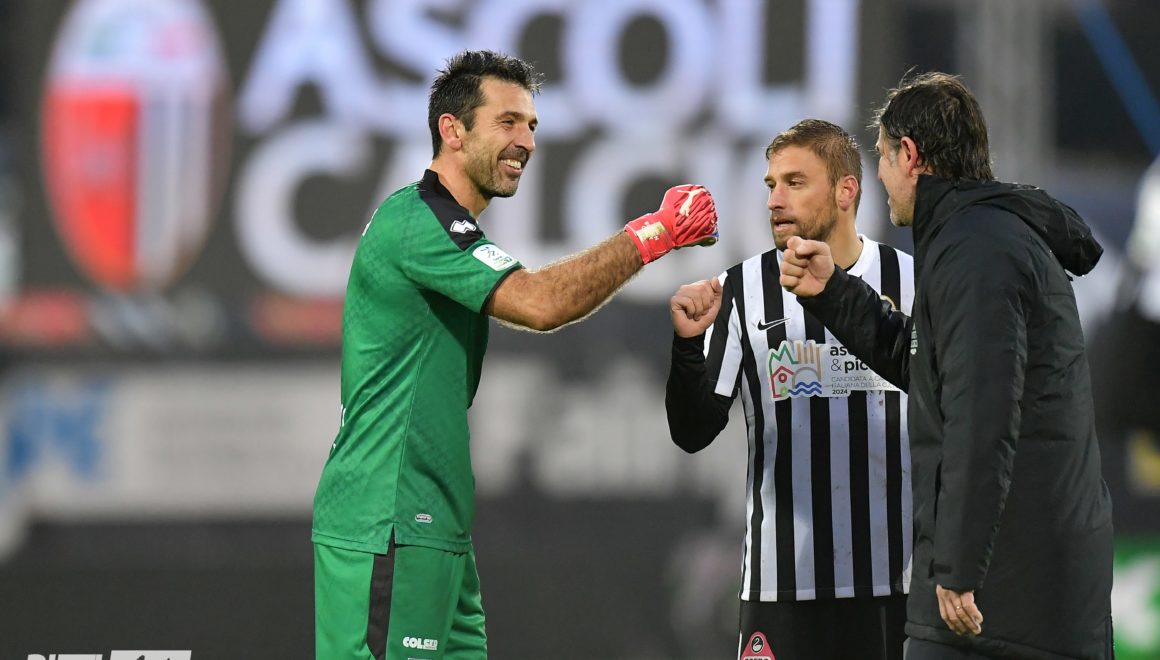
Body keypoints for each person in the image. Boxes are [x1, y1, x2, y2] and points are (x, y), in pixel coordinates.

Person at [311, 50, 718, 660]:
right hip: (388, 522)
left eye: (531, 125)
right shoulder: (418, 222)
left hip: (432, 526)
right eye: (507, 122)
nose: (526, 141)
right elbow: (541, 302)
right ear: (452, 130)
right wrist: (655, 231)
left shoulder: (442, 227)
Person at [779, 72, 1114, 659]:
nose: (880, 177)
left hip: (998, 603)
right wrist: (833, 292)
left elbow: (982, 412)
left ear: (909, 155)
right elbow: (936, 373)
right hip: (1020, 588)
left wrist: (956, 566)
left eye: (882, 157)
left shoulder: (977, 251)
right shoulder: (980, 238)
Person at [666, 119, 914, 660]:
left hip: (897, 583)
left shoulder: (913, 282)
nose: (775, 200)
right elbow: (692, 431)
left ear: (846, 191)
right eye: (771, 185)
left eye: (795, 183)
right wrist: (687, 347)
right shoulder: (740, 289)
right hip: (782, 590)